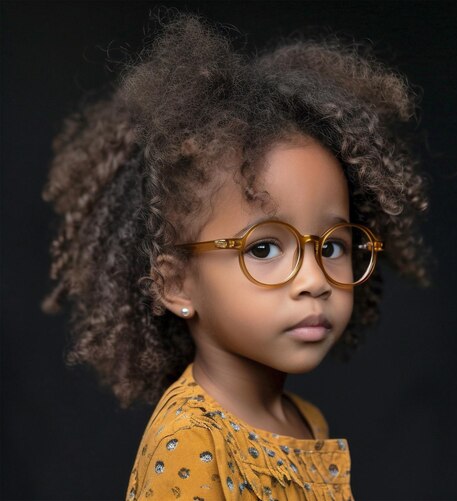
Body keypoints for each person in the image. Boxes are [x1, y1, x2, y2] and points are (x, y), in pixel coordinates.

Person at [42, 12, 430, 500]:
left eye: (332, 246)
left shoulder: (306, 422)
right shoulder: (188, 442)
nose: (314, 279)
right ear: (176, 283)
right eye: (265, 248)